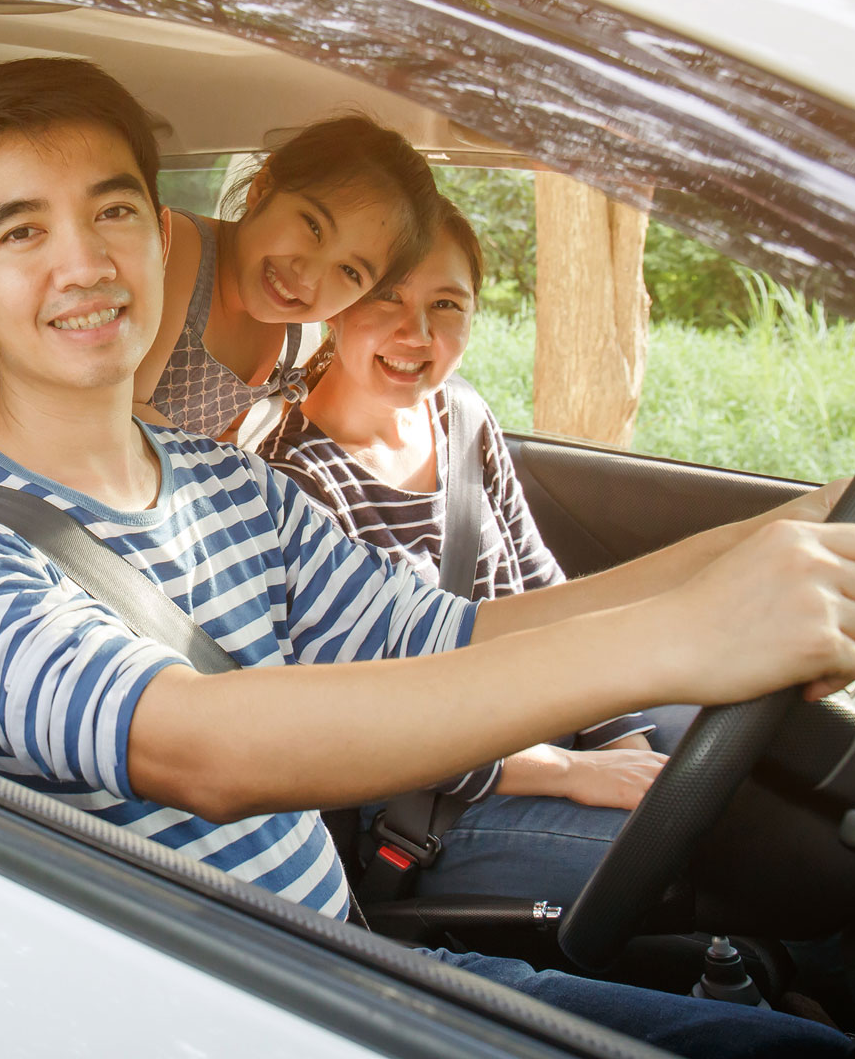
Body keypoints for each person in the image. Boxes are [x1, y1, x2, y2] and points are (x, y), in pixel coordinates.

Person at [0, 57, 855, 1057]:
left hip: (354, 961)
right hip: (218, 1015)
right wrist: (684, 636)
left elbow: (458, 630)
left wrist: (773, 532)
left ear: (160, 227)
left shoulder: (230, 480)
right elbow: (200, 748)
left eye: (114, 209)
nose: (84, 261)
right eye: (20, 231)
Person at [263, 199, 677, 907]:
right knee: (697, 848)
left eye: (446, 303)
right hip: (430, 795)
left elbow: (538, 591)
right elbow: (365, 722)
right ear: (336, 301)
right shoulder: (291, 479)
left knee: (759, 741)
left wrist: (617, 741)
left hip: (543, 714)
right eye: (386, 295)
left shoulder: (462, 416)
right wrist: (571, 775)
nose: (415, 332)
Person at [132, 115, 440, 438]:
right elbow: (124, 419)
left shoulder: (291, 337)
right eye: (313, 226)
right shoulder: (179, 249)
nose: (307, 277)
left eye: (350, 272)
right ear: (263, 187)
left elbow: (225, 438)